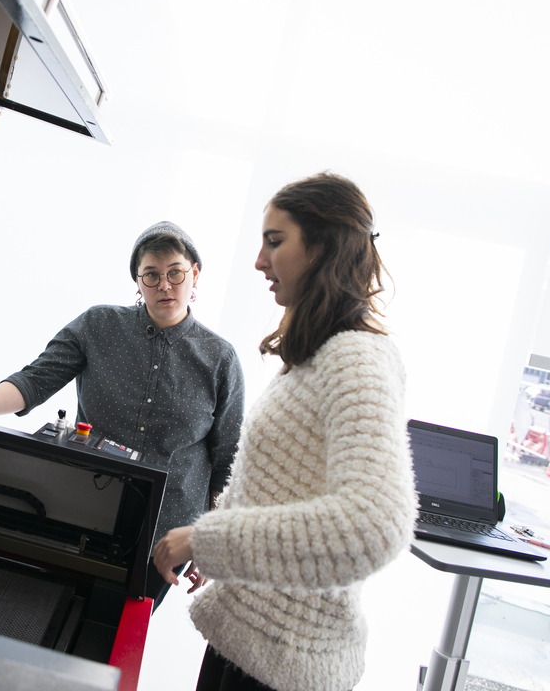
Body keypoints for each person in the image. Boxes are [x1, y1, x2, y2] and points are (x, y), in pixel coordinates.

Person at [152, 173, 417, 691]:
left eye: (275, 241)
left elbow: (375, 523)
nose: (258, 259)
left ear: (322, 248)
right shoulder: (318, 353)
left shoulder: (355, 356)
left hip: (283, 667)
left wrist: (205, 539)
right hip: (252, 646)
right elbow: (281, 484)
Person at [0, 221, 245, 609]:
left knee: (112, 641)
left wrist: (209, 541)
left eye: (175, 273)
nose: (164, 285)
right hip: (82, 512)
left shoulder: (220, 358)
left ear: (195, 274)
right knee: (37, 616)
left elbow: (230, 462)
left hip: (167, 535)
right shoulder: (98, 325)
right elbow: (34, 381)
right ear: (137, 282)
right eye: (151, 275)